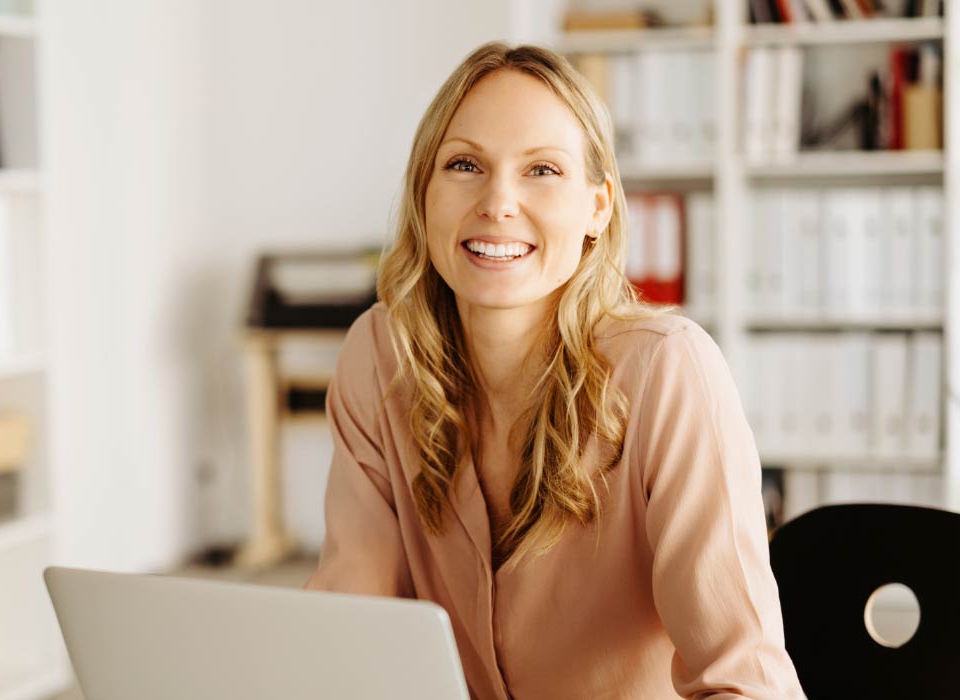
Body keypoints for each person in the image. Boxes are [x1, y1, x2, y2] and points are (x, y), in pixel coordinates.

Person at [304, 41, 807, 700]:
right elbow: (348, 637)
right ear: (424, 194)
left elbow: (747, 684)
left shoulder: (668, 373)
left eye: (541, 170)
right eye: (464, 165)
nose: (497, 202)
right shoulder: (378, 358)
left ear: (598, 207)